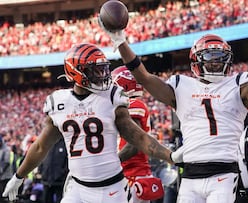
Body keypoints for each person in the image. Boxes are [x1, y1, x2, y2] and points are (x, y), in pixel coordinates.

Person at [99, 1, 248, 202]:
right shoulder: (182, 86)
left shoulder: (237, 86)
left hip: (223, 173)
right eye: (210, 58)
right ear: (196, 61)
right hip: (190, 172)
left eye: (219, 58)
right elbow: (143, 77)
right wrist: (121, 42)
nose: (216, 63)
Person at [2, 43, 173, 203]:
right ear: (76, 72)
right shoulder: (59, 103)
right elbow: (41, 146)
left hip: (112, 186)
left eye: (103, 69)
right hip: (77, 187)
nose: (103, 75)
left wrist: (171, 157)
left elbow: (139, 138)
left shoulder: (112, 97)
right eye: (95, 71)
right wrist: (19, 176)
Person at [112, 66, 164, 203]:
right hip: (133, 174)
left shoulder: (133, 104)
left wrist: (113, 162)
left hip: (133, 175)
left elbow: (134, 143)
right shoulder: (133, 104)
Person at [38, 138, 68, 203]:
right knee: (46, 200)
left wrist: (62, 173)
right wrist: (40, 170)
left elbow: (67, 161)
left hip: (60, 181)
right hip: (46, 179)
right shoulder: (47, 142)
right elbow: (41, 157)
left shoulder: (65, 143)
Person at [0, 136, 12, 203]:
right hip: (1, 176)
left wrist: (0, 170)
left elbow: (6, 162)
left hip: (5, 176)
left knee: (4, 195)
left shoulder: (6, 149)